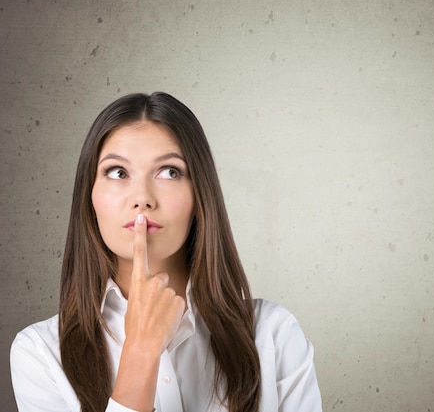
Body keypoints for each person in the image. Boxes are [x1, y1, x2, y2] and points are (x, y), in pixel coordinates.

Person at [10, 92, 323, 412]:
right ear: (90, 199)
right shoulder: (41, 353)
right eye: (118, 172)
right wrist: (140, 352)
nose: (142, 198)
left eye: (169, 172)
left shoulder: (273, 335)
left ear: (200, 197)